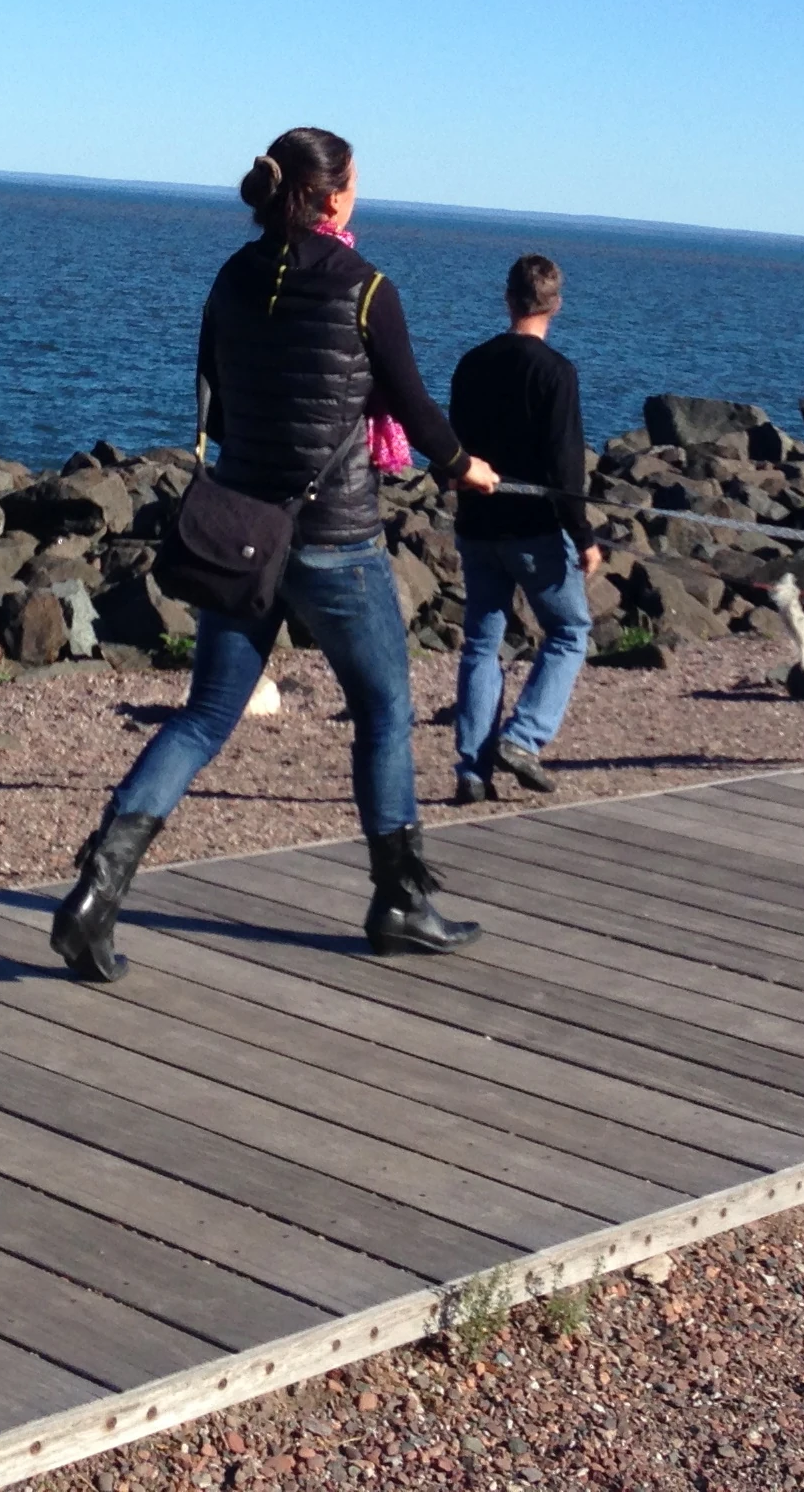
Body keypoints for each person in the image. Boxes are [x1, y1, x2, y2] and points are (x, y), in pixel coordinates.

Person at [53, 126, 501, 984]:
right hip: (335, 540)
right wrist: (462, 468)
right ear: (331, 198)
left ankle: (96, 889)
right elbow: (409, 405)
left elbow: (216, 411)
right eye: (356, 185)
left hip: (243, 535)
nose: (359, 197)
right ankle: (399, 900)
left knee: (204, 716)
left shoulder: (232, 275)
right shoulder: (368, 289)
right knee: (385, 714)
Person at [447, 253, 601, 803]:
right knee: (568, 632)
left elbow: (455, 444)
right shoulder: (556, 373)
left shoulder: (470, 363)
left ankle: (471, 767)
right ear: (555, 304)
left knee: (482, 645)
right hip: (533, 529)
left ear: (507, 298)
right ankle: (524, 736)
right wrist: (583, 537)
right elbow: (566, 468)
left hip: (478, 522)